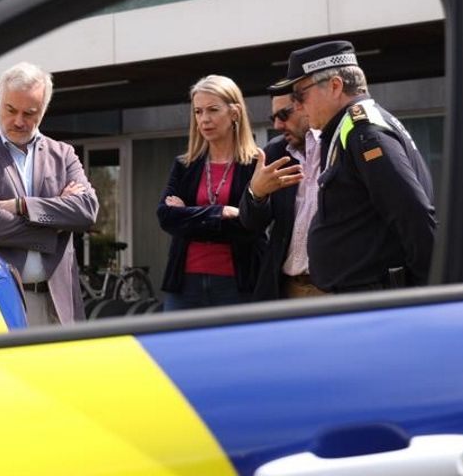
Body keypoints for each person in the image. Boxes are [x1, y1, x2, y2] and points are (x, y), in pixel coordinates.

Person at [271, 40, 436, 292]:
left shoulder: (365, 133)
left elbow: (413, 215)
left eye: (300, 95)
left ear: (336, 86)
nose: (297, 106)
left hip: (375, 297)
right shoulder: (350, 128)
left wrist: (429, 291)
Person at [0, 61, 98, 326]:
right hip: (5, 301)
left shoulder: (63, 153)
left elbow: (87, 211)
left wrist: (22, 205)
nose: (19, 121)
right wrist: (56, 227)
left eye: (29, 113)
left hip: (61, 305)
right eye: (11, 110)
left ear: (42, 112)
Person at [157, 74, 263, 310]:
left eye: (213, 110)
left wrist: (189, 216)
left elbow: (249, 227)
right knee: (176, 348)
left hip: (237, 284)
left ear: (234, 113)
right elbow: (166, 217)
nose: (204, 119)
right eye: (198, 112)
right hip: (184, 285)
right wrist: (220, 212)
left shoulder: (256, 163)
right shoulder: (185, 165)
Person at [239, 90, 323, 299]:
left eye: (283, 115)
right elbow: (251, 223)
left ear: (307, 106)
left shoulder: (339, 145)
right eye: (273, 117)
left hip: (339, 289)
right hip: (289, 288)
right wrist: (256, 194)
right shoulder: (275, 152)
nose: (277, 125)